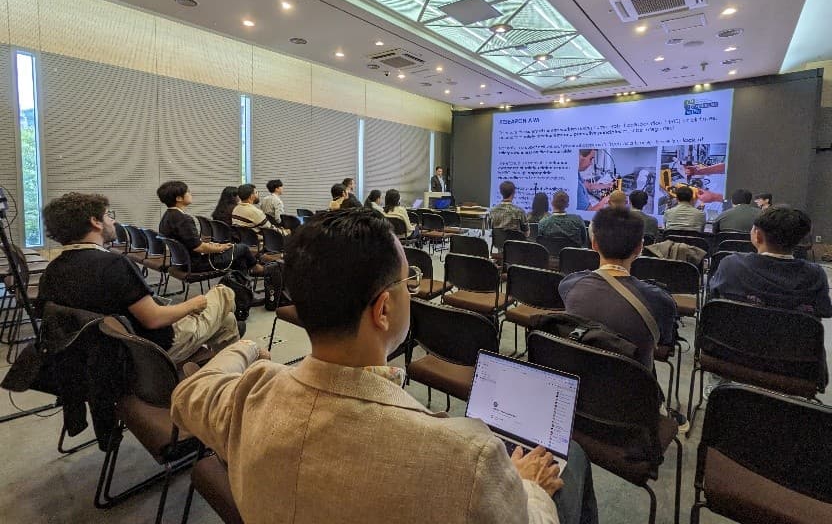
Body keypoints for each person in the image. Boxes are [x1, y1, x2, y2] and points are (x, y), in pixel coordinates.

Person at [171, 209, 598, 524]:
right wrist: (530, 487)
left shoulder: (248, 397)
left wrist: (246, 347)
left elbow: (190, 391)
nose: (411, 290)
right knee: (571, 461)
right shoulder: (467, 456)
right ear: (383, 310)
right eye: (407, 282)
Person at [38, 192, 240, 363]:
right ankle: (227, 376)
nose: (113, 221)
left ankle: (218, 374)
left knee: (227, 321)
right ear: (95, 222)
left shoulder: (52, 270)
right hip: (152, 349)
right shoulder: (114, 264)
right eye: (108, 215)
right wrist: (193, 304)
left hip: (103, 354)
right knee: (224, 293)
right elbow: (154, 319)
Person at [559, 207, 678, 371]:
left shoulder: (569, 284)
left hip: (582, 374)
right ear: (639, 248)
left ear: (594, 244)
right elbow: (663, 342)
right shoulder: (660, 300)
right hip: (632, 382)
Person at [709, 207, 831, 318]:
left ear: (758, 235)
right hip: (791, 336)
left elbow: (714, 300)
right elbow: (824, 310)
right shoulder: (815, 275)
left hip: (735, 334)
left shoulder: (731, 265)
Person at [158, 181, 259, 274]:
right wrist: (221, 248)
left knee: (238, 256)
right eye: (188, 192)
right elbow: (199, 247)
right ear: (179, 198)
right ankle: (256, 269)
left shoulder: (167, 216)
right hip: (196, 264)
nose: (190, 194)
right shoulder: (184, 219)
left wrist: (215, 245)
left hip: (182, 263)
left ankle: (239, 281)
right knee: (242, 248)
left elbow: (192, 243)